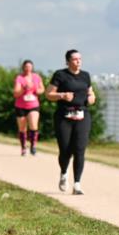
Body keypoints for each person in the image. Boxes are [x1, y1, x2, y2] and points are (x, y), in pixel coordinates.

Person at [47, 49, 95, 195]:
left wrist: (92, 98)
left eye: (80, 58)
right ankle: (63, 173)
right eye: (75, 59)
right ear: (68, 61)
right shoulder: (60, 75)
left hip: (82, 115)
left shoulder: (85, 75)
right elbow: (48, 94)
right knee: (65, 150)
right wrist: (62, 95)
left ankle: (77, 184)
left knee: (80, 150)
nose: (78, 61)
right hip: (64, 116)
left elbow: (90, 92)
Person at [13, 60, 45, 156]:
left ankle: (33, 145)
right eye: (26, 66)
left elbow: (42, 89)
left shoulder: (36, 77)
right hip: (20, 106)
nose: (28, 68)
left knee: (33, 125)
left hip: (33, 105)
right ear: (23, 67)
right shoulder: (19, 78)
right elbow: (15, 93)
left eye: (30, 66)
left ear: (32, 67)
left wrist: (35, 89)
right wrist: (24, 88)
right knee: (22, 128)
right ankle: (23, 147)